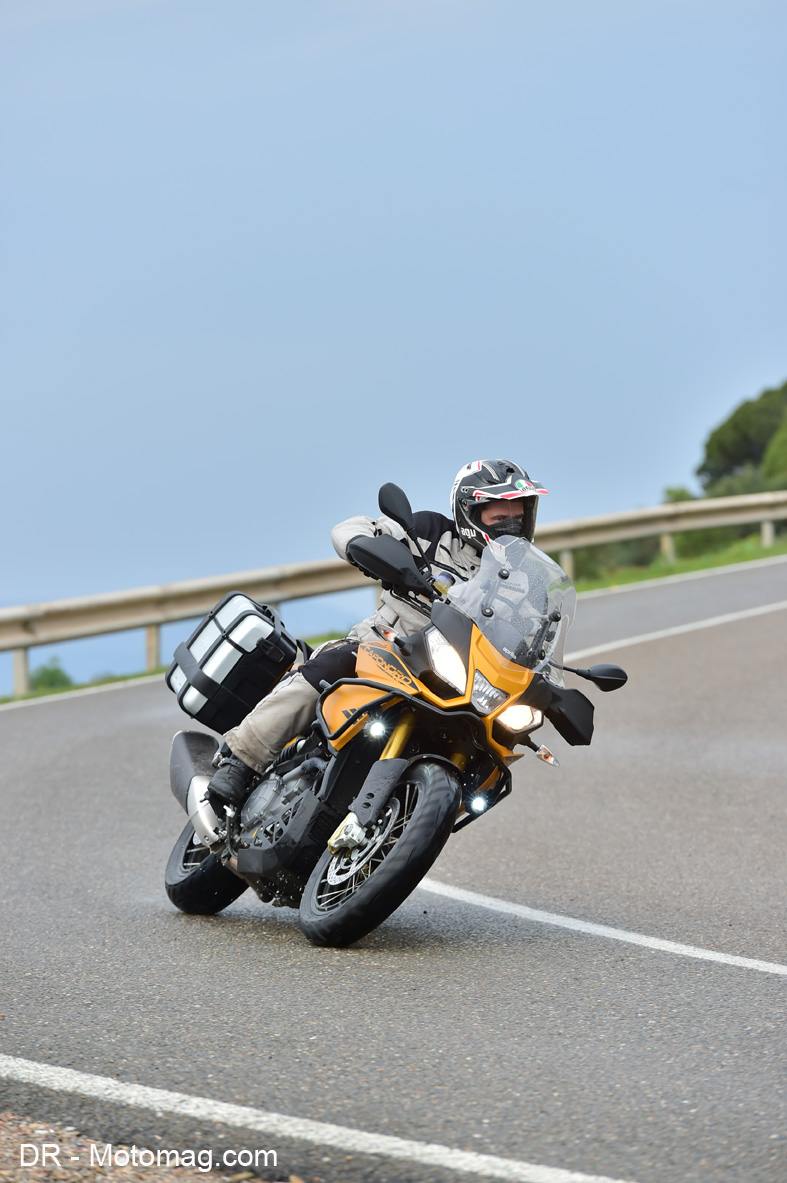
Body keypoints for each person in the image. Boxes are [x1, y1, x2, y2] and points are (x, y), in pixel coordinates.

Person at [206, 459, 547, 813]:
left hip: (455, 679)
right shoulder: (430, 532)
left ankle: (416, 818)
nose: (511, 525)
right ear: (469, 512)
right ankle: (240, 760)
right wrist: (362, 545)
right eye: (499, 517)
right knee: (332, 667)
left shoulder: (526, 584)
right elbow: (354, 528)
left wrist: (549, 685)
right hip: (385, 646)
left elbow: (535, 641)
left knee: (491, 749)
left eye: (518, 517)